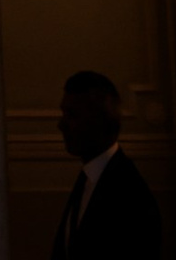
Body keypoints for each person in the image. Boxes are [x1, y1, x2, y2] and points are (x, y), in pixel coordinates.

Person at [50, 75, 160, 257]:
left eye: (72, 115)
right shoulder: (90, 178)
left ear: (99, 121)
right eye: (64, 114)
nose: (61, 125)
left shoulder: (129, 195)